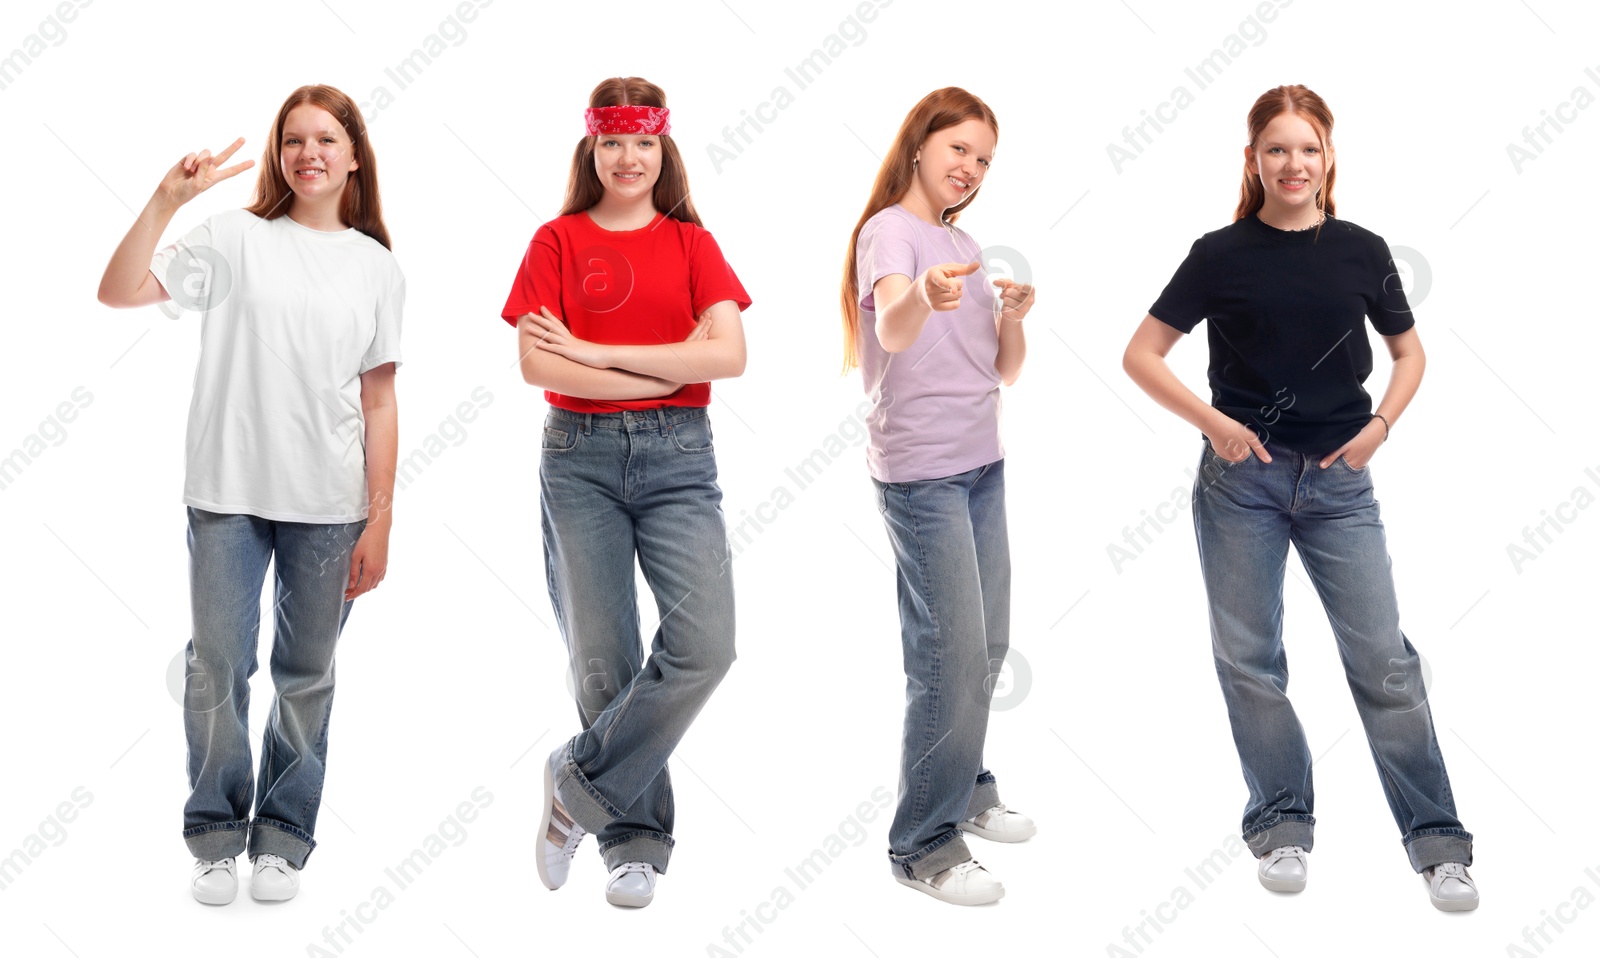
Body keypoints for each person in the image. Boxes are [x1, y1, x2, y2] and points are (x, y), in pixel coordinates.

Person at [1122, 84, 1477, 912]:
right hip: (1241, 483)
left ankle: (1438, 845)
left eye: (1308, 148)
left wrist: (1380, 426)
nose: (1294, 163)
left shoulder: (1361, 249)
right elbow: (1142, 353)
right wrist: (1215, 425)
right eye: (1277, 148)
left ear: (1329, 159)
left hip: (1340, 481)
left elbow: (1410, 355)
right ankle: (1281, 827)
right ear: (1252, 161)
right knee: (1251, 662)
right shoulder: (1219, 253)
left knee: (1384, 660)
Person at [97, 84, 402, 905]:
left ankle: (283, 835)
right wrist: (167, 201)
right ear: (280, 153)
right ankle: (215, 833)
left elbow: (379, 401)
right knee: (217, 668)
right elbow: (119, 291)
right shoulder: (233, 237)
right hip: (227, 493)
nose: (309, 153)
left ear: (353, 155)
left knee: (306, 673)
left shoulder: (376, 266)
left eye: (327, 140)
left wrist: (380, 520)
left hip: (330, 506)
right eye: (294, 139)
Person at [504, 77, 751, 909]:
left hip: (682, 459)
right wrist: (660, 360)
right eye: (612, 142)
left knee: (706, 646)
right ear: (591, 149)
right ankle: (632, 844)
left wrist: (598, 352)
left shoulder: (692, 243)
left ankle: (573, 786)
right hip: (578, 459)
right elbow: (538, 366)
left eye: (643, 142)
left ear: (663, 149)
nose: (628, 158)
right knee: (604, 657)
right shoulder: (556, 241)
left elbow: (728, 358)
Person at [839, 87, 1039, 906]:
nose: (971, 167)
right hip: (921, 474)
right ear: (919, 144)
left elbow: (1003, 371)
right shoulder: (889, 232)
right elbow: (889, 328)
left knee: (985, 645)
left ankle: (966, 785)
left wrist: (1016, 316)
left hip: (981, 465)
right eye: (959, 148)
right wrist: (926, 293)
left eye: (984, 158)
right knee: (947, 653)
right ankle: (923, 840)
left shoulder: (964, 239)